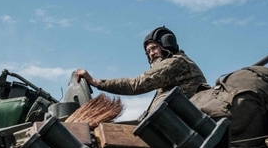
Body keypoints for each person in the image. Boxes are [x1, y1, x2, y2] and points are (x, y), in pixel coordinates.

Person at [74, 26, 209, 110]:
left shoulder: (176, 63)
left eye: (154, 48)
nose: (151, 53)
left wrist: (96, 82)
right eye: (148, 51)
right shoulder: (171, 72)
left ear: (166, 45)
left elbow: (137, 84)